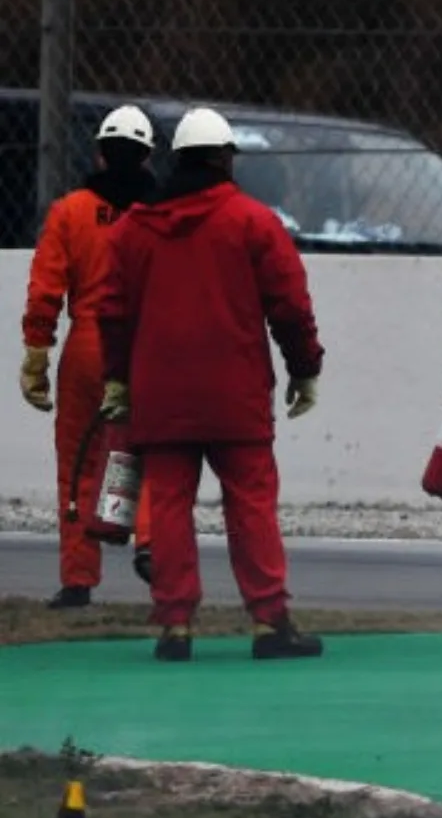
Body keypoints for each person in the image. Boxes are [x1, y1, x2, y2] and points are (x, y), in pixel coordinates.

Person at [96, 107, 326, 662]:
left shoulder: (133, 230)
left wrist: (118, 378)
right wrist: (304, 367)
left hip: (162, 393)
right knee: (250, 502)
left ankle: (175, 625)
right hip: (236, 392)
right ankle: (270, 621)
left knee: (169, 503)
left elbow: (111, 311)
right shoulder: (252, 221)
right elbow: (289, 305)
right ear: (225, 159)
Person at [21, 106, 162, 608]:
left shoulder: (71, 211)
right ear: (148, 156)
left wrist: (37, 352)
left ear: (99, 153)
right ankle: (150, 543)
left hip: (87, 345)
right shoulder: (164, 213)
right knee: (142, 455)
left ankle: (79, 580)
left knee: (77, 466)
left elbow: (44, 290)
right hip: (145, 346)